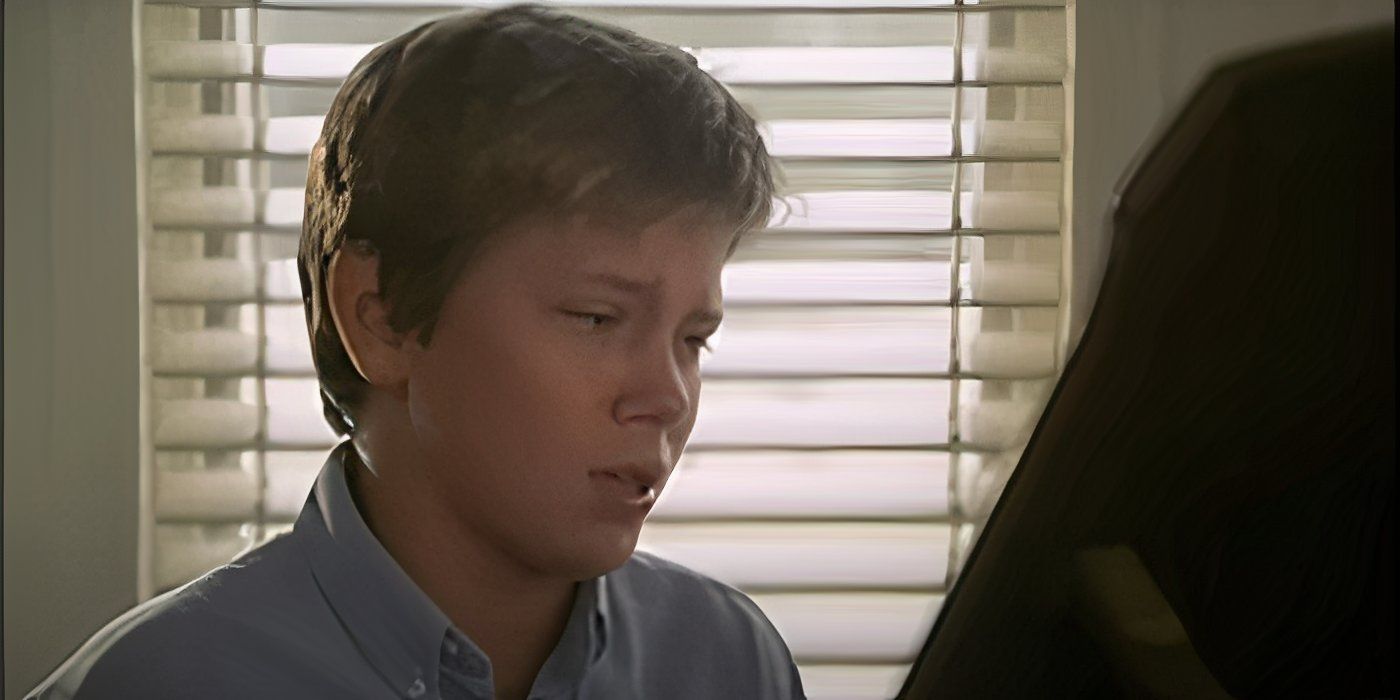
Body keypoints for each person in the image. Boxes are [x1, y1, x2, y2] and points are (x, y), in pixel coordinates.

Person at [27, 4, 804, 699]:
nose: (667, 398)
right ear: (382, 318)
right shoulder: (159, 684)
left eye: (694, 340)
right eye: (598, 319)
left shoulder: (730, 662)